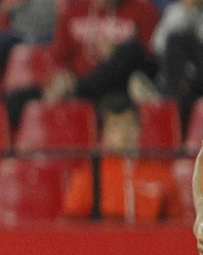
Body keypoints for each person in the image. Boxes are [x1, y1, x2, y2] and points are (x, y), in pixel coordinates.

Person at [23, 0, 158, 116]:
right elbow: (59, 55)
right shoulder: (73, 10)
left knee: (130, 50)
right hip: (77, 81)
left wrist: (115, 53)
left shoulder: (143, 9)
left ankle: (80, 91)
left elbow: (148, 56)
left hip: (118, 88)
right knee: (16, 99)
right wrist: (63, 78)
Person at [62, 93, 180, 223]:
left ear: (140, 128)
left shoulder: (160, 173)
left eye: (129, 124)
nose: (124, 132)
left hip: (152, 242)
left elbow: (176, 225)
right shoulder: (88, 175)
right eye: (116, 126)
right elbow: (72, 224)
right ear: (104, 133)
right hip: (105, 242)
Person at [136, 0, 203, 124]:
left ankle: (163, 98)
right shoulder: (176, 10)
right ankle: (165, 96)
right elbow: (157, 46)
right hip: (180, 81)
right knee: (135, 50)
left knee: (179, 40)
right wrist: (188, 9)